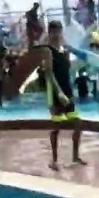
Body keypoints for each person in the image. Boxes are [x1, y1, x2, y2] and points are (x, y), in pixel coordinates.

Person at [36, 21, 84, 170]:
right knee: (57, 126)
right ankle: (54, 160)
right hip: (55, 92)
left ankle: (75, 156)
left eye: (58, 31)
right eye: (54, 32)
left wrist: (70, 91)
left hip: (67, 90)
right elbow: (49, 73)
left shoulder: (64, 50)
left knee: (78, 123)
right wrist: (59, 93)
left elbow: (67, 72)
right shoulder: (47, 50)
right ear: (49, 33)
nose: (56, 35)